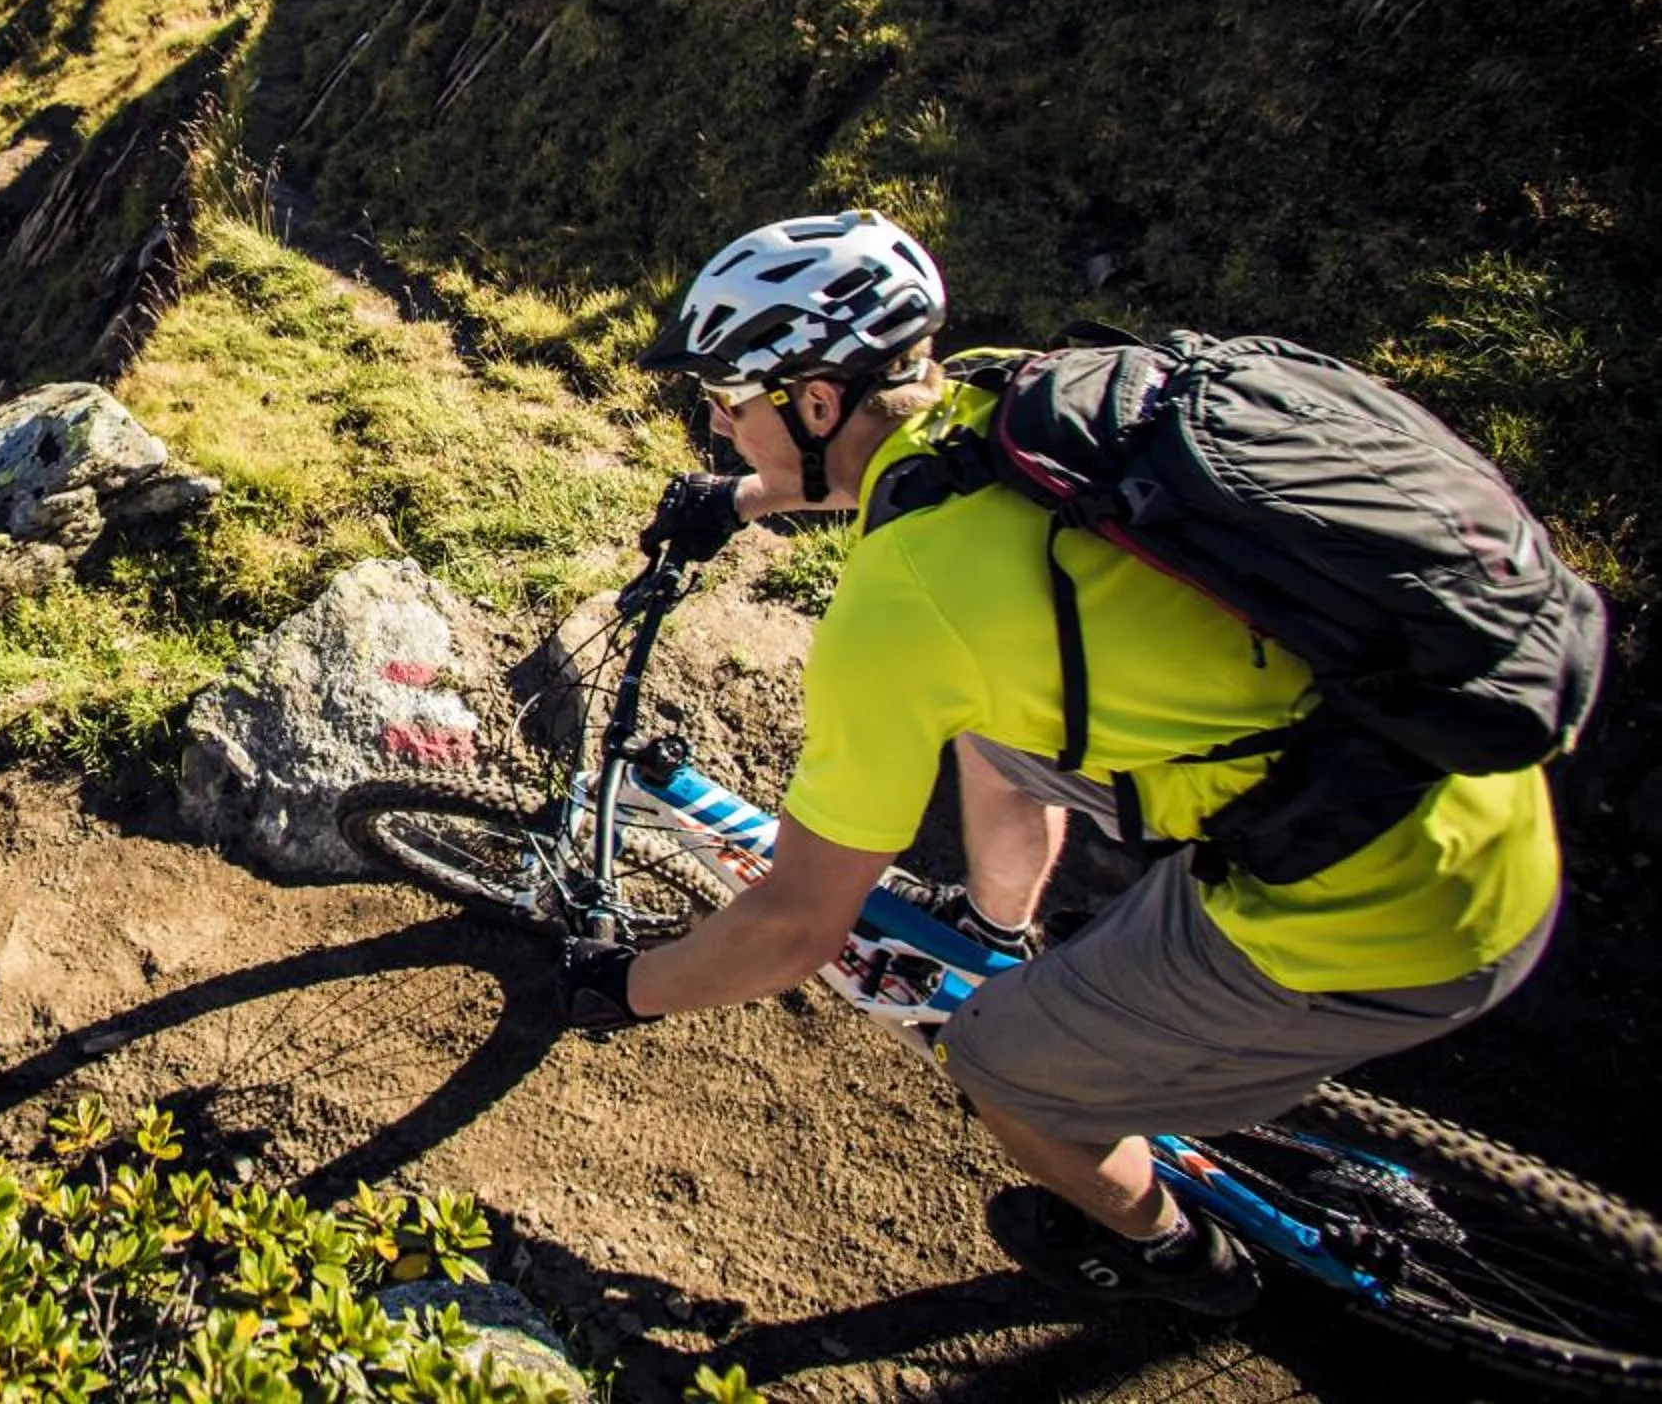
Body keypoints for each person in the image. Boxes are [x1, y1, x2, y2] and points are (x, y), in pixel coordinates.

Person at [562, 208, 1563, 1315]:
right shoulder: (1019, 394)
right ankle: (997, 929)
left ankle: (1171, 1250)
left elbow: (795, 927)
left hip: (1379, 911)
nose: (711, 416)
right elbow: (897, 469)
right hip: (1446, 774)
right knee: (994, 723)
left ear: (812, 399)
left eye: (726, 395)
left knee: (998, 1060)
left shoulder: (905, 607)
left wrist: (630, 985)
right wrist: (741, 498)